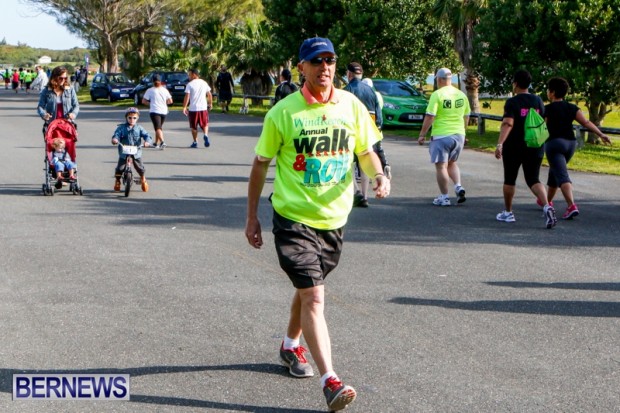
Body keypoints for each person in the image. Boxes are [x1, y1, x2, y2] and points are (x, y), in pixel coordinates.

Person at [245, 37, 390, 412]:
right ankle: (331, 382)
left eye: (330, 60)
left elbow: (364, 150)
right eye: (317, 61)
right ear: (302, 68)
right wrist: (252, 216)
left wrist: (378, 175)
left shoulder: (351, 105)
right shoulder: (284, 113)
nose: (325, 67)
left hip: (334, 219)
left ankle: (290, 345)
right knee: (314, 295)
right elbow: (260, 163)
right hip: (293, 218)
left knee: (310, 286)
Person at [494, 69, 557, 228]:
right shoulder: (538, 101)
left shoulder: (512, 102)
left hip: (514, 146)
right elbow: (543, 120)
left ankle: (508, 213)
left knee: (510, 179)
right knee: (533, 179)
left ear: (515, 83)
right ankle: (547, 206)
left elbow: (508, 123)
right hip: (535, 145)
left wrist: (500, 143)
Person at [542, 77, 612, 219]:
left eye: (548, 90)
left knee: (562, 176)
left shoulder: (547, 109)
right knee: (555, 172)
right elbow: (586, 122)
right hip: (570, 144)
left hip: (555, 144)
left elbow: (541, 127)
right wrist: (601, 134)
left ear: (552, 92)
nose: (547, 92)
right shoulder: (572, 108)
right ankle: (546, 201)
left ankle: (571, 206)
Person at [417, 68, 470, 206]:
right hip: (458, 134)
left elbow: (430, 116)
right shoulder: (461, 95)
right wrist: (464, 132)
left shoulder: (437, 94)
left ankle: (445, 197)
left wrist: (422, 134)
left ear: (439, 79)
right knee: (452, 163)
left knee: (441, 166)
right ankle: (458, 186)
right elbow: (466, 116)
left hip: (441, 135)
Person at [344, 62, 385, 208]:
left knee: (349, 163)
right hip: (368, 131)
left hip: (351, 130)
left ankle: (356, 192)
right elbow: (378, 113)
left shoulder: (347, 91)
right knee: (365, 162)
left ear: (349, 74)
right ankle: (365, 195)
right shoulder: (371, 91)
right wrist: (378, 127)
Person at [111, 107, 153, 192]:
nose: (132, 120)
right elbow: (116, 135)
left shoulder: (139, 128)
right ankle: (117, 181)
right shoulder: (121, 127)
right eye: (129, 118)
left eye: (134, 118)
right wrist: (115, 139)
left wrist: (147, 142)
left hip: (136, 151)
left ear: (137, 118)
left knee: (140, 168)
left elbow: (147, 136)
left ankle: (143, 178)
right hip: (124, 152)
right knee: (120, 168)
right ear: (126, 118)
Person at [183, 68, 213, 148]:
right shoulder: (204, 83)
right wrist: (210, 103)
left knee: (194, 126)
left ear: (194, 75)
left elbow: (187, 96)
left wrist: (184, 107)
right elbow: (209, 94)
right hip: (203, 108)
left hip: (193, 109)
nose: (189, 76)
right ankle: (205, 135)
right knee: (205, 124)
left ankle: (195, 142)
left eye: (190, 75)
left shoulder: (190, 84)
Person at [142, 73, 173, 149]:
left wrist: (150, 103)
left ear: (153, 81)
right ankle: (156, 143)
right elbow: (170, 101)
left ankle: (162, 142)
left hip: (155, 110)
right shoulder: (165, 90)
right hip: (164, 111)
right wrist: (163, 103)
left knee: (158, 127)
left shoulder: (150, 90)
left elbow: (144, 101)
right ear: (160, 81)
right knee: (158, 127)